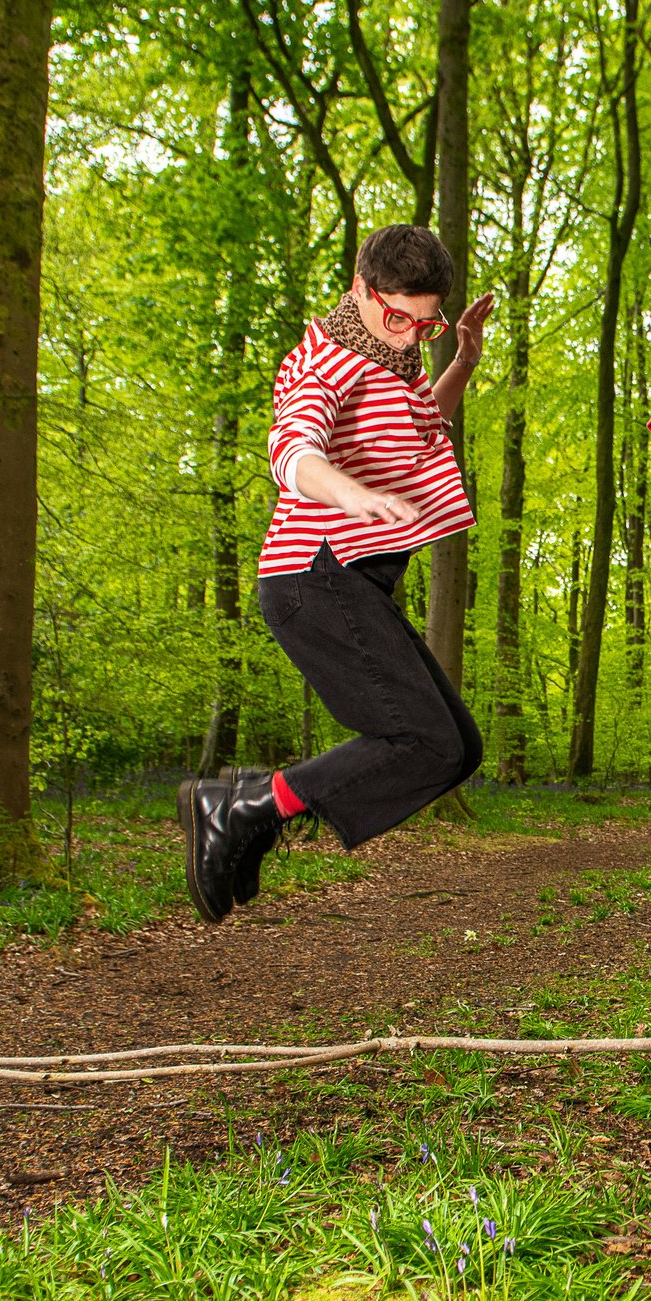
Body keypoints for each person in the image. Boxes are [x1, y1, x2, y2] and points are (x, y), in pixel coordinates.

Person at [177, 225, 496, 923]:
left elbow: (419, 434)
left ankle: (253, 810)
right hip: (313, 579)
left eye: (427, 322)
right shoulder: (324, 362)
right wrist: (350, 494)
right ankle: (243, 809)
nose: (413, 336)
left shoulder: (394, 362)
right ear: (362, 289)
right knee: (425, 742)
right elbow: (295, 449)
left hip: (350, 583)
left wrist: (462, 361)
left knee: (458, 747)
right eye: (398, 318)